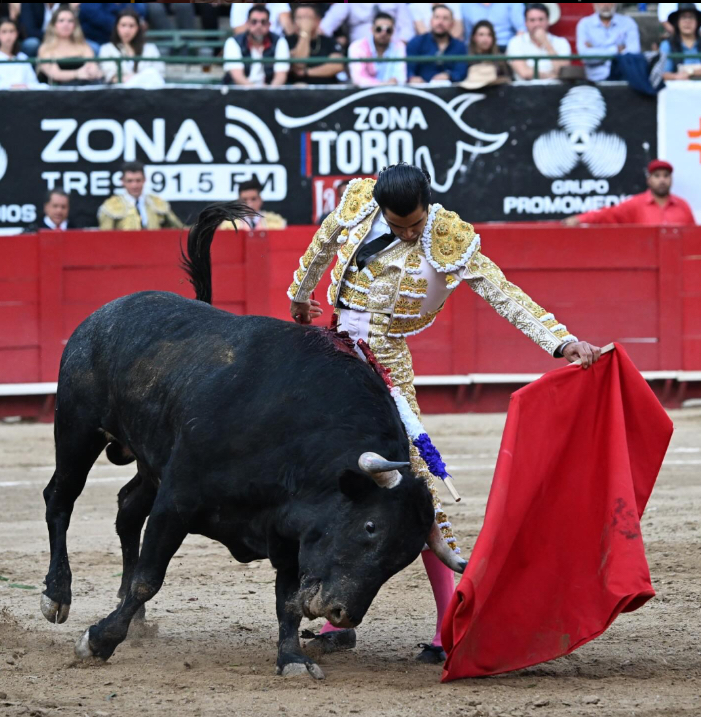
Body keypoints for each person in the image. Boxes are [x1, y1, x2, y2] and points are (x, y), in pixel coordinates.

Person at [288, 164, 600, 663]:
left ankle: (446, 624)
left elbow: (501, 291)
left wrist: (560, 341)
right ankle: (334, 619)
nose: (410, 233)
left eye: (415, 223)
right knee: (328, 474)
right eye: (399, 226)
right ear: (381, 209)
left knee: (415, 479)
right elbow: (322, 245)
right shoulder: (359, 201)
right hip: (331, 353)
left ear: (426, 206)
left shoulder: (447, 237)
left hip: (384, 360)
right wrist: (301, 297)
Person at [563, 160, 696, 227]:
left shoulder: (682, 206)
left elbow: (693, 236)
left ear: (671, 179)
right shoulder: (636, 204)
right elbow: (608, 214)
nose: (662, 180)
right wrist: (581, 219)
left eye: (666, 176)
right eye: (657, 176)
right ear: (649, 180)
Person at [97, 161, 183, 230]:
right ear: (122, 181)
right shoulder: (111, 205)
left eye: (138, 180)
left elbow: (179, 229)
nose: (134, 185)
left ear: (144, 180)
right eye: (130, 181)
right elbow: (105, 237)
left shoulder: (157, 202)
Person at [223, 4, 290, 86]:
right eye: (254, 22)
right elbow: (237, 76)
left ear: (269, 24)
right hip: (241, 91)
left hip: (269, 90)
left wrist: (270, 91)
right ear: (247, 23)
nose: (259, 26)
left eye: (263, 22)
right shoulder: (233, 42)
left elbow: (281, 75)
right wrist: (257, 91)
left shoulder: (279, 42)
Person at [98, 8, 165, 87]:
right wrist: (131, 79)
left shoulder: (150, 49)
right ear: (117, 27)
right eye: (123, 25)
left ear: (137, 28)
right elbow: (109, 75)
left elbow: (159, 73)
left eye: (131, 26)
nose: (127, 30)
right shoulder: (107, 49)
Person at [36, 7, 103, 85]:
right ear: (53, 25)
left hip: (85, 86)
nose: (66, 24)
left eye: (70, 21)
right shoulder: (45, 48)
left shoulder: (83, 46)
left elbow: (92, 66)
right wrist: (76, 74)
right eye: (61, 20)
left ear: (75, 25)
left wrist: (94, 72)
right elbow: (54, 74)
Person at [576, 3, 641, 82]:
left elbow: (633, 53)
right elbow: (585, 56)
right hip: (595, 78)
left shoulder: (628, 23)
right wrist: (616, 49)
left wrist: (596, 50)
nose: (606, 5)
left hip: (623, 77)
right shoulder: (585, 24)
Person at [506, 3, 570, 80]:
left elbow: (562, 71)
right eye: (532, 20)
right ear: (525, 23)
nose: (537, 24)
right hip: (525, 86)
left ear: (548, 21)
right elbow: (525, 73)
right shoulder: (515, 42)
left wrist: (546, 44)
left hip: (555, 86)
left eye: (541, 19)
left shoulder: (561, 42)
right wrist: (552, 75)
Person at [407, 5, 468, 84]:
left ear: (452, 24)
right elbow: (409, 69)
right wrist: (412, 78)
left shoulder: (459, 46)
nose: (440, 22)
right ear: (431, 21)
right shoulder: (416, 42)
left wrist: (449, 76)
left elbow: (461, 72)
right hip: (421, 88)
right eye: (437, 17)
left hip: (450, 89)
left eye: (445, 18)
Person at [287, 3, 343, 85]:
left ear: (318, 21)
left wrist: (306, 72)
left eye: (307, 18)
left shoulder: (328, 41)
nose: (303, 22)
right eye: (299, 18)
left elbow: (337, 66)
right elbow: (299, 64)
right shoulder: (288, 41)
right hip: (299, 87)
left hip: (327, 87)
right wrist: (305, 33)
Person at [348, 11, 407, 87]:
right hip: (365, 92)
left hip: (392, 91)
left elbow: (401, 78)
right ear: (372, 30)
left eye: (388, 30)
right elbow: (358, 79)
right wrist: (383, 84)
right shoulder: (357, 46)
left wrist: (394, 82)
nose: (383, 33)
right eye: (379, 29)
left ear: (393, 31)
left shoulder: (399, 46)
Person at [320, 3, 415, 46]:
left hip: (392, 49)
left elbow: (407, 28)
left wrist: (397, 48)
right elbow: (326, 26)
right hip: (360, 52)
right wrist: (334, 43)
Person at [221, 179, 287, 230]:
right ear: (239, 202)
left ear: (260, 200)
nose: (249, 204)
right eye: (244, 200)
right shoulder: (229, 225)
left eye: (253, 199)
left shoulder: (276, 222)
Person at [461, 2, 526, 52]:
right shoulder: (466, 5)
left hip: (505, 47)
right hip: (477, 49)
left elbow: (522, 29)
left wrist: (511, 51)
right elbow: (468, 35)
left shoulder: (513, 4)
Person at [660, 3, 701, 80]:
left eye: (691, 17)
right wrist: (675, 76)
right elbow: (662, 73)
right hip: (677, 86)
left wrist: (691, 72)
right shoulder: (667, 45)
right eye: (683, 17)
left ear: (697, 22)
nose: (687, 21)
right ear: (677, 22)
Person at [78, 3, 146, 49]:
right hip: (95, 41)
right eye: (123, 25)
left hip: (124, 42)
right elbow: (100, 19)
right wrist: (128, 22)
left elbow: (139, 14)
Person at [0, 17, 41, 88]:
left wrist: (25, 86)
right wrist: (10, 86)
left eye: (11, 31)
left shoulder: (23, 57)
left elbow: (34, 83)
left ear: (16, 34)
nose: (8, 36)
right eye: (4, 32)